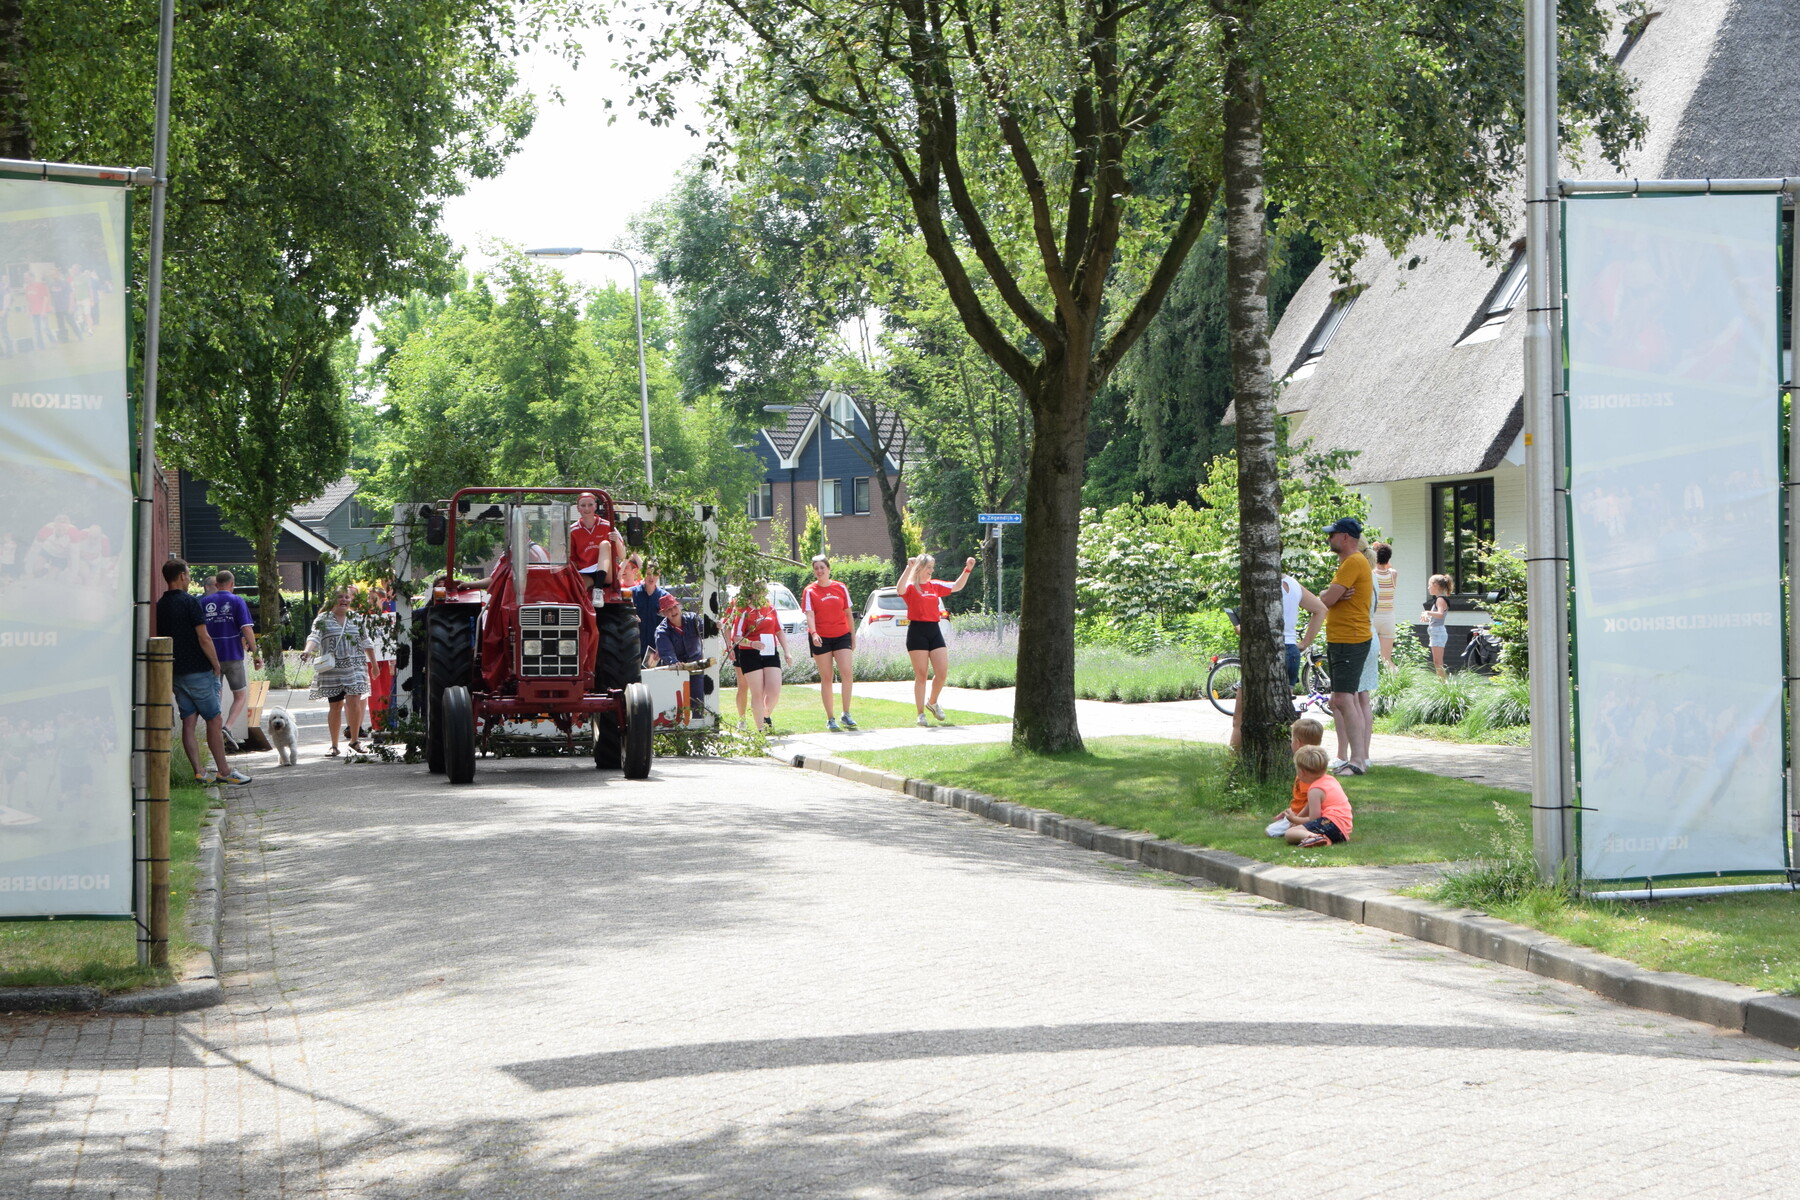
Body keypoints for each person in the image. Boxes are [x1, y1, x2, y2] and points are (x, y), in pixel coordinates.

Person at [155, 559, 251, 786]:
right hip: (198, 670)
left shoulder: (161, 605)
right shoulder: (190, 602)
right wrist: (215, 664)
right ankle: (224, 771)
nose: (189, 579)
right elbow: (204, 637)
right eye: (188, 574)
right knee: (214, 720)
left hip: (176, 671)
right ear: (181, 576)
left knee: (188, 721)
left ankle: (199, 772)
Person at [1318, 516, 1374, 775]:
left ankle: (1358, 760)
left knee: (1343, 698)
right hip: (1344, 638)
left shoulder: (1352, 561)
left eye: (1332, 534)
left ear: (1346, 537)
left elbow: (1327, 599)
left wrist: (1328, 596)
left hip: (1349, 638)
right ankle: (1356, 758)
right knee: (1341, 699)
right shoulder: (1350, 562)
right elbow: (1329, 597)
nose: (1329, 538)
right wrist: (1328, 595)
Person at [897, 553, 975, 726]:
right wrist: (908, 568)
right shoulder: (910, 587)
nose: (931, 571)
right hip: (917, 631)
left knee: (941, 673)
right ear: (920, 568)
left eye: (932, 567)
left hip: (934, 630)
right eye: (928, 567)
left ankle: (932, 702)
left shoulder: (935, 586)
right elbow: (899, 589)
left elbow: (957, 586)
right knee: (921, 675)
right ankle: (920, 714)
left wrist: (968, 569)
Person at [303, 590, 376, 757]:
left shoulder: (356, 618)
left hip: (355, 667)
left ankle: (355, 741)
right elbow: (314, 636)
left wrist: (374, 665)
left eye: (347, 597)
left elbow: (366, 641)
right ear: (332, 600)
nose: (344, 600)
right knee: (335, 706)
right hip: (332, 670)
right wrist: (307, 651)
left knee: (354, 701)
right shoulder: (323, 619)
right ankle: (334, 746)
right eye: (340, 597)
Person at [201, 570, 262, 750]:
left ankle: (216, 727)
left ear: (216, 584)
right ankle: (227, 727)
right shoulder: (237, 601)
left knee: (216, 695)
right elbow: (247, 629)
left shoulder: (203, 602)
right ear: (232, 584)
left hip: (210, 657)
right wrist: (256, 654)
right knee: (240, 695)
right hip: (233, 655)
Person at [803, 555, 858, 731]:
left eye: (822, 567)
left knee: (847, 672)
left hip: (842, 635)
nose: (819, 571)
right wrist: (814, 634)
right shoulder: (809, 591)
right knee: (827, 677)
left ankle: (846, 714)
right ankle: (830, 718)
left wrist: (853, 637)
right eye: (816, 568)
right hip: (821, 638)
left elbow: (848, 613)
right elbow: (810, 615)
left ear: (828, 569)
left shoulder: (840, 587)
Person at [729, 581, 783, 730]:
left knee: (774, 690)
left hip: (769, 650)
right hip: (749, 652)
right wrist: (751, 643)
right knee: (754, 691)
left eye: (762, 590)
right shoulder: (742, 609)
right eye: (756, 591)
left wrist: (788, 652)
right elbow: (735, 634)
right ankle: (759, 729)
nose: (760, 594)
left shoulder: (770, 608)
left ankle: (765, 714)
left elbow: (779, 630)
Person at [1265, 717, 1327, 838]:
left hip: (1303, 815)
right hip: (1298, 812)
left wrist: (1296, 818)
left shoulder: (1308, 771)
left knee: (1271, 831)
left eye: (1292, 740)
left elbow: (1310, 802)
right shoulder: (1315, 764)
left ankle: (1308, 833)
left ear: (1298, 742)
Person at [1283, 745, 1354, 847]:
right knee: (1297, 829)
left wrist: (1294, 819)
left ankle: (1315, 837)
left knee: (1290, 833)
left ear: (1302, 772)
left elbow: (1314, 818)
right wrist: (1298, 817)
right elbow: (1309, 806)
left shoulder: (1315, 790)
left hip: (1331, 823)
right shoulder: (1330, 780)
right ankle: (1326, 840)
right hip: (1343, 830)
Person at [568, 491, 616, 589]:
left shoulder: (608, 526)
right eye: (583, 505)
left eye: (590, 505)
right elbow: (572, 559)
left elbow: (622, 555)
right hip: (586, 573)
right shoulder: (572, 530)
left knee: (605, 544)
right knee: (578, 587)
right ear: (578, 508)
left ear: (595, 506)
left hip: (607, 574)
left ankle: (598, 588)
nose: (587, 508)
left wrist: (617, 540)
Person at [629, 559, 668, 662]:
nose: (651, 578)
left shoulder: (665, 597)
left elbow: (670, 625)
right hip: (634, 648)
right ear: (642, 574)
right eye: (648, 574)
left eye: (654, 574)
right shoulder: (632, 594)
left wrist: (662, 646)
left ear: (659, 575)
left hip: (656, 651)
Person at [652, 591, 704, 666]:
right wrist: (675, 663)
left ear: (679, 607)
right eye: (669, 609)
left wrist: (715, 626)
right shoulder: (661, 631)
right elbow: (667, 653)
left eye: (675, 607)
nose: (673, 611)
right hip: (676, 669)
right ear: (664, 613)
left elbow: (706, 631)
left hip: (697, 665)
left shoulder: (693, 619)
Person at [1372, 543, 1399, 669]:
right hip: (1389, 618)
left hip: (1374, 616)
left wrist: (1375, 550)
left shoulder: (1371, 574)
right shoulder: (1393, 574)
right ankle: (1397, 679)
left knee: (1369, 657)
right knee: (1386, 658)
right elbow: (1388, 565)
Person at [1422, 573, 1451, 679]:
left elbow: (1440, 614)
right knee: (1437, 662)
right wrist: (1428, 617)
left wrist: (1428, 612)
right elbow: (1437, 616)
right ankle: (1442, 683)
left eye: (1429, 585)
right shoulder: (1439, 599)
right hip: (1435, 631)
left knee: (1438, 662)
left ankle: (1443, 684)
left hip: (1438, 632)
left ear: (1435, 585)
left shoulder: (1440, 599)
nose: (1428, 588)